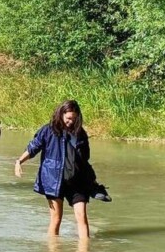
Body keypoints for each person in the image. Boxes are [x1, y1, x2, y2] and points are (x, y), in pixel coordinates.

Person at [14, 100, 110, 240]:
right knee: (56, 219)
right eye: (68, 118)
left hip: (77, 182)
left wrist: (92, 181)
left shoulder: (80, 134)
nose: (71, 122)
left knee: (82, 217)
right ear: (61, 114)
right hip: (54, 182)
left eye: (74, 119)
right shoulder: (48, 130)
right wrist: (19, 161)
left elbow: (85, 159)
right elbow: (33, 147)